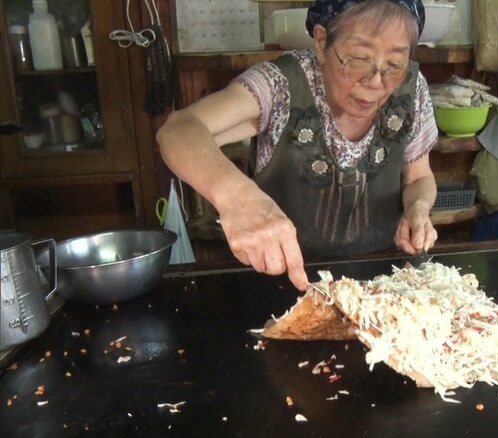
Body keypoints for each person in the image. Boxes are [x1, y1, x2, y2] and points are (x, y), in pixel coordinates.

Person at [157, 0, 438, 291]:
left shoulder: (412, 88)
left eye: (394, 65)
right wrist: (237, 197)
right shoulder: (280, 85)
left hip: (382, 286)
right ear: (322, 42)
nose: (376, 82)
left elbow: (418, 177)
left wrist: (417, 207)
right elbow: (177, 130)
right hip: (283, 283)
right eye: (358, 59)